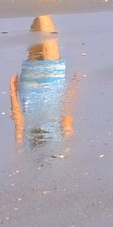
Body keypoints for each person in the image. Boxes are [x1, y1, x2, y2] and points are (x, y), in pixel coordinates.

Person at [9, 14, 82, 149]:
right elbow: (18, 120)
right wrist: (13, 92)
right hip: (29, 88)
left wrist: (75, 84)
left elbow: (68, 114)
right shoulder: (24, 142)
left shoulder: (64, 140)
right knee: (37, 36)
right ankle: (39, 3)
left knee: (47, 32)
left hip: (51, 82)